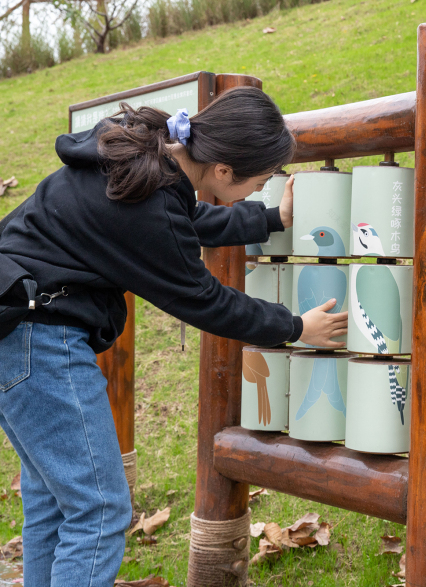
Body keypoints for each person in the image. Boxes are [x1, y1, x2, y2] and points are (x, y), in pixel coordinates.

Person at [0, 86, 347, 586]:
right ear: (224, 170)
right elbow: (204, 299)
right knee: (99, 509)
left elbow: (180, 219)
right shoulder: (151, 204)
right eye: (261, 181)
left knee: (55, 502)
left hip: (16, 329)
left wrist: (269, 219)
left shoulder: (147, 146)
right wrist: (295, 326)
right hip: (42, 337)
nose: (259, 189)